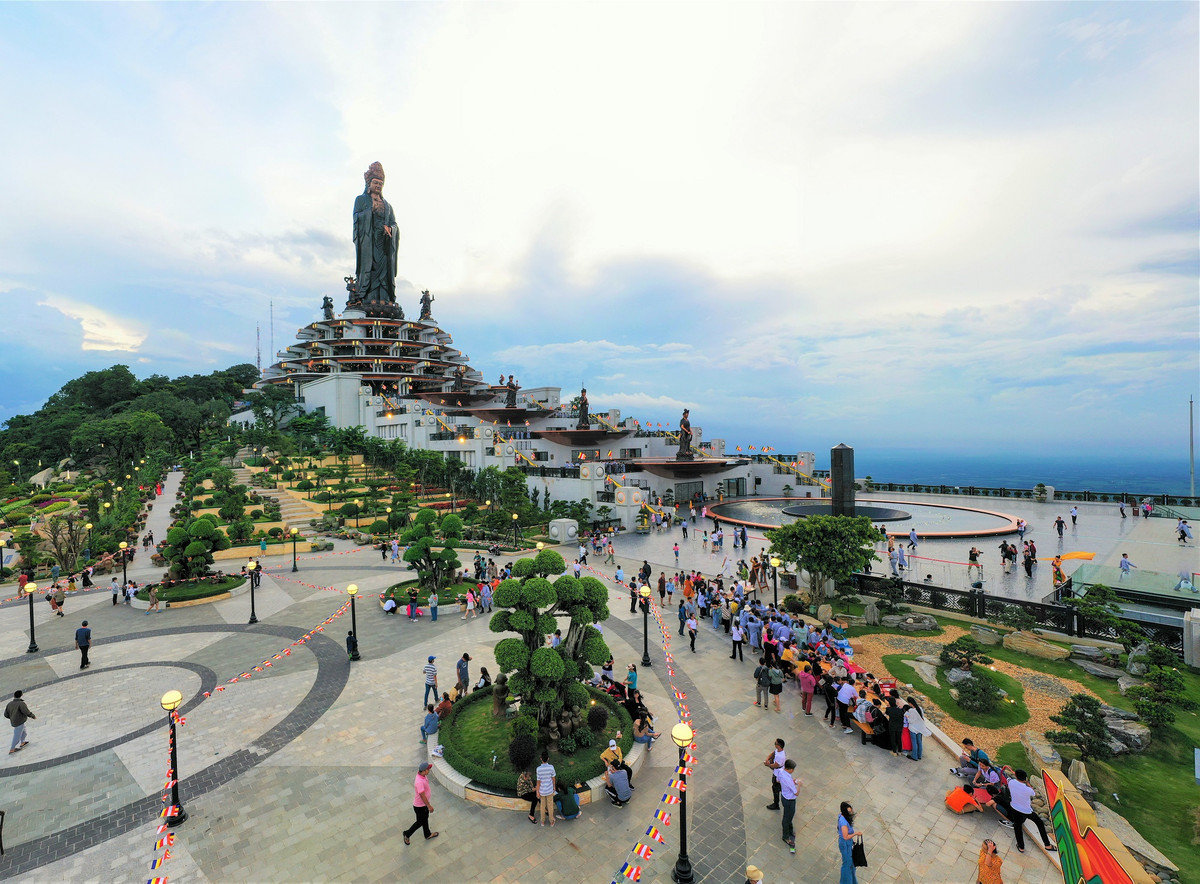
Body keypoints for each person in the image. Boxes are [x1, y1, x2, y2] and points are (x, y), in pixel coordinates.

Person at [1007, 769, 1057, 854]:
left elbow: (1010, 780)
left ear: (1016, 776)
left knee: (1017, 827)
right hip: (1026, 811)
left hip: (1014, 807)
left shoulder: (1011, 782)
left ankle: (1021, 847)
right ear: (1025, 778)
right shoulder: (1028, 790)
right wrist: (1028, 783)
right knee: (1040, 823)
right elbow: (1033, 793)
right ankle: (1047, 845)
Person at [401, 762, 438, 845]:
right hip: (420, 806)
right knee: (420, 822)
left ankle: (427, 834)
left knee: (425, 818)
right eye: (428, 769)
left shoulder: (423, 776)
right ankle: (407, 834)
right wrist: (429, 806)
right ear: (424, 771)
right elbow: (422, 795)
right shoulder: (419, 782)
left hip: (423, 805)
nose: (429, 770)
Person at [776, 759, 801, 853]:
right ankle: (786, 836)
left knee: (788, 816)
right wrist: (799, 785)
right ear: (790, 769)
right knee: (787, 817)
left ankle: (790, 831)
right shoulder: (787, 779)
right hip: (790, 800)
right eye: (793, 769)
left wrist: (792, 782)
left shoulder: (781, 771)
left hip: (784, 796)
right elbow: (796, 793)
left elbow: (778, 780)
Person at [837, 801, 862, 884]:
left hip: (848, 843)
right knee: (847, 864)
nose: (851, 813)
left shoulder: (842, 816)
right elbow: (845, 836)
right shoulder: (843, 823)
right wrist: (855, 834)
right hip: (845, 844)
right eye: (849, 812)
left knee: (851, 864)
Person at [6, 689, 34, 754]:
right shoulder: (21, 703)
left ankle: (23, 742)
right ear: (21, 695)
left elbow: (6, 714)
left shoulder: (9, 704)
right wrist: (32, 716)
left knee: (24, 733)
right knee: (17, 737)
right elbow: (26, 711)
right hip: (19, 722)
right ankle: (12, 749)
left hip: (17, 722)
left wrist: (12, 718)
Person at [535, 749, 557, 826]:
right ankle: (551, 821)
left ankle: (542, 822)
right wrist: (554, 787)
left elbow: (538, 782)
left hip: (542, 791)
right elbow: (553, 779)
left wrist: (537, 792)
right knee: (550, 806)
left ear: (541, 758)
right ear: (548, 758)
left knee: (542, 806)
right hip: (550, 790)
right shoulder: (551, 767)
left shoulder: (538, 769)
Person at [763, 738, 786, 810]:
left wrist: (768, 764)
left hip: (778, 774)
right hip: (777, 772)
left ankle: (776, 804)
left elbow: (775, 765)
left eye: (775, 743)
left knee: (775, 788)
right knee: (778, 786)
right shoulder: (778, 751)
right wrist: (767, 759)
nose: (774, 744)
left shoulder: (780, 756)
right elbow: (772, 753)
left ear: (778, 746)